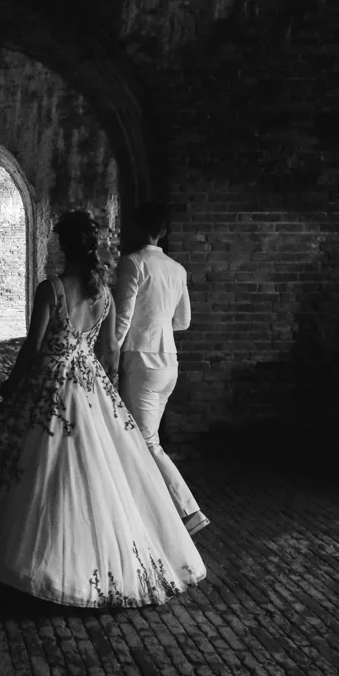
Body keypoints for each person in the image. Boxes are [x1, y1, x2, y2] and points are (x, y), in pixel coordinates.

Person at [0, 210, 206, 609]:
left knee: (43, 465)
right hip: (89, 381)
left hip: (51, 382)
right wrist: (102, 387)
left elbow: (33, 347)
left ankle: (43, 558)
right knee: (97, 468)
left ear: (62, 246)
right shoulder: (104, 294)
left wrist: (12, 382)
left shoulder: (51, 289)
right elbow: (109, 351)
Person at [113, 202, 210, 536]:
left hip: (141, 359)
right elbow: (182, 322)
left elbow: (123, 317)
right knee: (143, 439)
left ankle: (188, 511)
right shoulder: (177, 269)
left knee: (146, 441)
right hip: (169, 362)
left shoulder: (133, 263)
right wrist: (159, 317)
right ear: (164, 232)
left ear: (138, 228)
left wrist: (109, 353)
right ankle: (146, 507)